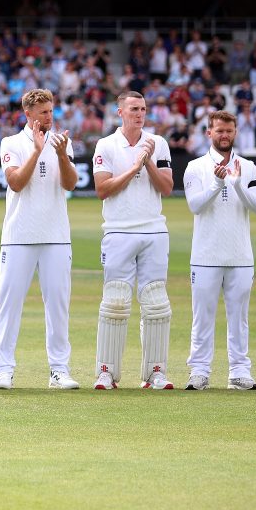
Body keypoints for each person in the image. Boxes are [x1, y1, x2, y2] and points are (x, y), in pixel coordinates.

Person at [0, 90, 81, 390]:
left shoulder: (61, 142)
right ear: (28, 114)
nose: (48, 117)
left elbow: (70, 183)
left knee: (57, 305)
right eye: (42, 112)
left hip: (56, 236)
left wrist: (58, 154)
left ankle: (59, 370)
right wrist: (35, 150)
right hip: (18, 236)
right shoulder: (11, 143)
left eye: (50, 111)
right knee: (9, 305)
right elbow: (15, 182)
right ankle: (4, 370)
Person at [92, 91, 175, 391]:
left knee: (156, 303)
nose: (140, 114)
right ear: (120, 112)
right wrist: (134, 167)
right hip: (118, 231)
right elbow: (103, 189)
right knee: (115, 301)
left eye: (143, 109)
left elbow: (166, 188)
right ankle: (106, 372)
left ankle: (155, 373)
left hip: (154, 231)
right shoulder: (106, 145)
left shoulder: (158, 143)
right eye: (134, 109)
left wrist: (149, 162)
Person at [183, 111, 256, 391]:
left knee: (239, 317)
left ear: (235, 132)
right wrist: (218, 184)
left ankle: (240, 371)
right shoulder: (195, 167)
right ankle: (199, 371)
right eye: (219, 131)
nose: (224, 135)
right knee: (202, 316)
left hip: (240, 256)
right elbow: (195, 206)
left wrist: (239, 184)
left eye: (229, 131)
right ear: (209, 133)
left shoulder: (248, 166)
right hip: (205, 256)